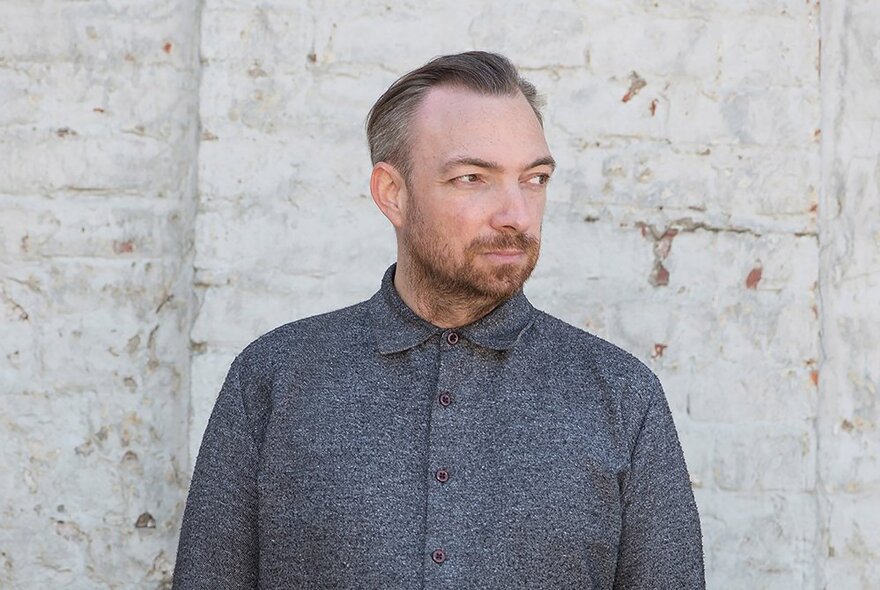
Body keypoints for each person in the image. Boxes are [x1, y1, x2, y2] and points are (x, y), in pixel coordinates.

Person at [173, 50, 705, 589]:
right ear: (392, 193)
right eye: (473, 178)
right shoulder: (274, 377)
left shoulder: (621, 395)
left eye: (535, 178)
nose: (516, 214)